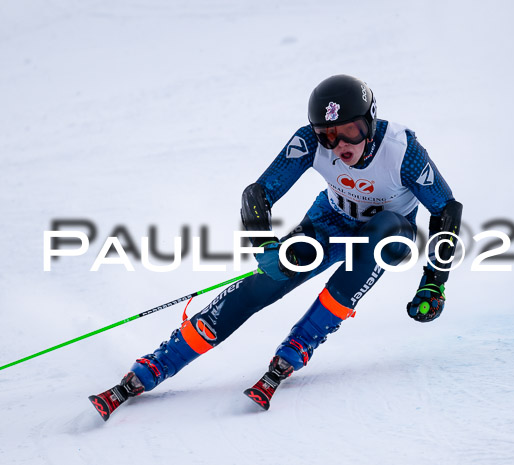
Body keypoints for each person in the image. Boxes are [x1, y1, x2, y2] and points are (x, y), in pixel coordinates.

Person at [89, 74, 463, 420]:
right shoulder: (308, 141)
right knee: (263, 284)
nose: (340, 145)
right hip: (330, 222)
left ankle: (298, 345)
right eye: (328, 135)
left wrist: (434, 281)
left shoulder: (401, 150)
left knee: (380, 231)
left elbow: (446, 209)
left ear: (370, 120)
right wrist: (265, 246)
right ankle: (156, 365)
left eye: (350, 130)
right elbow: (258, 193)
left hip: (389, 234)